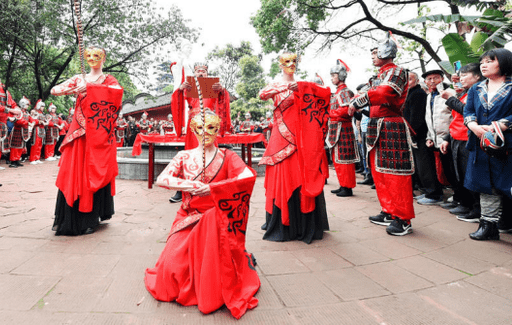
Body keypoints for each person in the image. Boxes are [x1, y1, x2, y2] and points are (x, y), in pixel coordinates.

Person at [144, 109, 260, 319]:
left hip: (217, 217)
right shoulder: (183, 155)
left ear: (219, 129)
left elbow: (246, 176)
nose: (205, 132)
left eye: (211, 127)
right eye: (199, 127)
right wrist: (189, 185)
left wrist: (214, 189)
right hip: (188, 216)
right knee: (169, 272)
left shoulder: (228, 155)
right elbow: (162, 179)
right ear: (192, 129)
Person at [464, 49, 512, 241]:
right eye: (482, 61)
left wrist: (497, 126)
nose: (484, 64)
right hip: (483, 144)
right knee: (486, 185)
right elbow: (469, 110)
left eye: (490, 61)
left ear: (505, 63)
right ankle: (487, 225)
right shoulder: (477, 88)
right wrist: (473, 126)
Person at [50, 46, 123, 236]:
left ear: (104, 58)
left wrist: (91, 87)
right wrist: (76, 88)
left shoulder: (109, 80)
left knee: (96, 171)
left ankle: (93, 215)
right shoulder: (78, 77)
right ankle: (75, 216)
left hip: (99, 133)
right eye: (88, 55)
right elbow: (55, 90)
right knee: (76, 172)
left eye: (97, 55)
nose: (92, 58)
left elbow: (116, 94)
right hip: (79, 133)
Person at [259, 52, 330, 243]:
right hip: (281, 137)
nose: (291, 64)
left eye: (294, 61)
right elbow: (262, 94)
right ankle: (282, 222)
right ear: (280, 65)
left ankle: (305, 223)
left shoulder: (304, 84)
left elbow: (325, 94)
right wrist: (283, 88)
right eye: (287, 61)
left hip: (303, 138)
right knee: (283, 176)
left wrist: (303, 87)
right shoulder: (276, 84)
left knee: (302, 176)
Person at [349, 37, 415, 236]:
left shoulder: (398, 72)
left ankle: (403, 218)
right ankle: (389, 210)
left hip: (391, 124)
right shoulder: (377, 75)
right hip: (377, 125)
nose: (373, 58)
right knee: (379, 172)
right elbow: (373, 93)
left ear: (386, 52)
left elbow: (385, 93)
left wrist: (358, 100)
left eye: (376, 53)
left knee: (395, 173)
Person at [169, 61, 231, 203]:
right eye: (198, 71)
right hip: (193, 127)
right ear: (195, 73)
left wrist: (222, 91)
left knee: (211, 155)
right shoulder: (189, 86)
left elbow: (223, 102)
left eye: (203, 71)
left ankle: (212, 187)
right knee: (190, 155)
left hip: (209, 125)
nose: (201, 73)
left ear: (207, 73)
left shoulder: (215, 87)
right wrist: (179, 89)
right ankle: (182, 190)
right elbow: (177, 101)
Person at [439, 64, 482, 222]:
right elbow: (456, 119)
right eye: (460, 76)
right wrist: (447, 138)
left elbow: (468, 113)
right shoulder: (465, 92)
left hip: (468, 139)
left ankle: (477, 209)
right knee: (460, 175)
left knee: (470, 175)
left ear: (477, 76)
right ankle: (467, 204)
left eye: (465, 75)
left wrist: (449, 99)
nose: (461, 79)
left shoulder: (479, 91)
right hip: (457, 138)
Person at [417, 69, 454, 206]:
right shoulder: (429, 96)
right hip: (437, 140)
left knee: (454, 171)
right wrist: (429, 137)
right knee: (447, 170)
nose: (432, 81)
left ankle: (461, 200)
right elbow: (429, 119)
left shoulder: (449, 93)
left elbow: (454, 117)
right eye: (429, 79)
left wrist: (448, 137)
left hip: (450, 138)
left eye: (436, 78)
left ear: (442, 78)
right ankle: (457, 197)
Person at [326, 59, 359, 197]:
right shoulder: (338, 92)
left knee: (344, 159)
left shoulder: (345, 92)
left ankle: (347, 186)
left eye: (334, 75)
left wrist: (329, 114)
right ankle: (342, 184)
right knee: (337, 159)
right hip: (335, 128)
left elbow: (346, 111)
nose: (332, 78)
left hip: (343, 128)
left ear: (340, 76)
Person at [7, 97, 31, 168]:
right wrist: (27, 123)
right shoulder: (18, 111)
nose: (28, 106)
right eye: (27, 104)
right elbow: (17, 121)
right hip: (17, 130)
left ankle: (17, 159)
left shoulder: (26, 113)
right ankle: (13, 161)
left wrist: (34, 122)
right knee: (15, 147)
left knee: (21, 146)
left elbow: (31, 120)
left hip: (23, 131)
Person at [29, 100, 48, 164]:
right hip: (37, 129)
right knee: (35, 144)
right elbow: (33, 120)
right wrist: (39, 122)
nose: (43, 108)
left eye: (43, 106)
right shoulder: (36, 113)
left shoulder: (42, 114)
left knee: (40, 144)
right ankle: (33, 159)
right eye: (42, 106)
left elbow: (45, 121)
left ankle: (37, 158)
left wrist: (45, 122)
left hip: (42, 129)